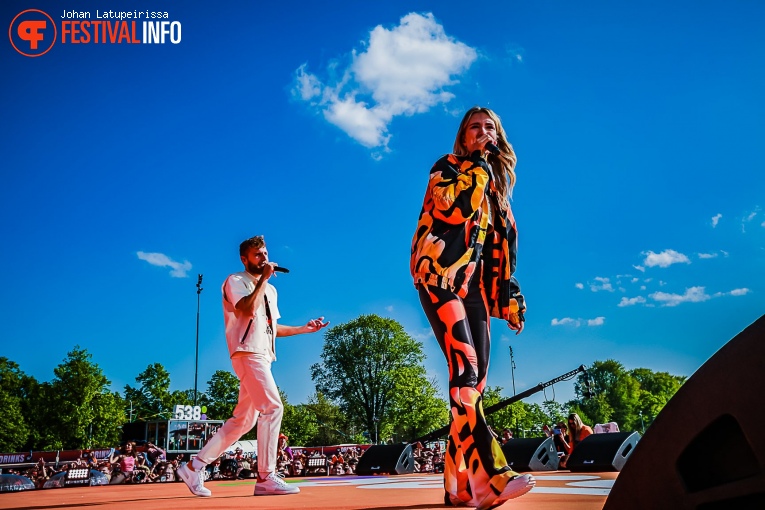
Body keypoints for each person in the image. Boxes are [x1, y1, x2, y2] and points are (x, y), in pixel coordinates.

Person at [411, 106, 535, 510]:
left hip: (475, 291)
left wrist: (510, 298)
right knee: (463, 371)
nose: (482, 133)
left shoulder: (496, 194)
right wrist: (479, 164)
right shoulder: (448, 167)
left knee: (473, 387)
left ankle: (457, 485)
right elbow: (452, 210)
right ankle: (489, 479)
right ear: (463, 137)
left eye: (489, 128)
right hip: (439, 275)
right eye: (474, 128)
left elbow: (503, 254)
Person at [177, 235, 329, 497]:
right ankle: (265, 477)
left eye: (265, 253)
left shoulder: (270, 290)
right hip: (247, 352)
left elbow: (270, 328)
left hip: (263, 354)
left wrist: (304, 329)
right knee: (272, 407)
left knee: (243, 420)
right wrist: (264, 279)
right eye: (258, 254)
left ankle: (194, 466)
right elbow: (246, 309)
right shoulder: (236, 281)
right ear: (244, 258)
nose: (264, 258)